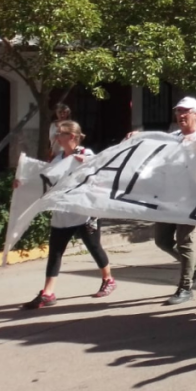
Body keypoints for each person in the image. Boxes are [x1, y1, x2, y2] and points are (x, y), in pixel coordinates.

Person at [20, 121, 116, 309]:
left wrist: (87, 164)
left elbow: (103, 172)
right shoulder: (58, 159)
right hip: (63, 213)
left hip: (84, 212)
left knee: (94, 247)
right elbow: (45, 180)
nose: (56, 138)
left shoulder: (86, 155)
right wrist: (22, 184)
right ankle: (48, 293)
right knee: (55, 252)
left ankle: (108, 279)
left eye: (60, 134)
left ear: (71, 137)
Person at [154, 97, 196, 305]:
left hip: (191, 198)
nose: (181, 115)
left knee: (184, 242)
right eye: (178, 111)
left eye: (186, 111)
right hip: (168, 198)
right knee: (161, 240)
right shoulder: (173, 137)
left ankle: (185, 287)